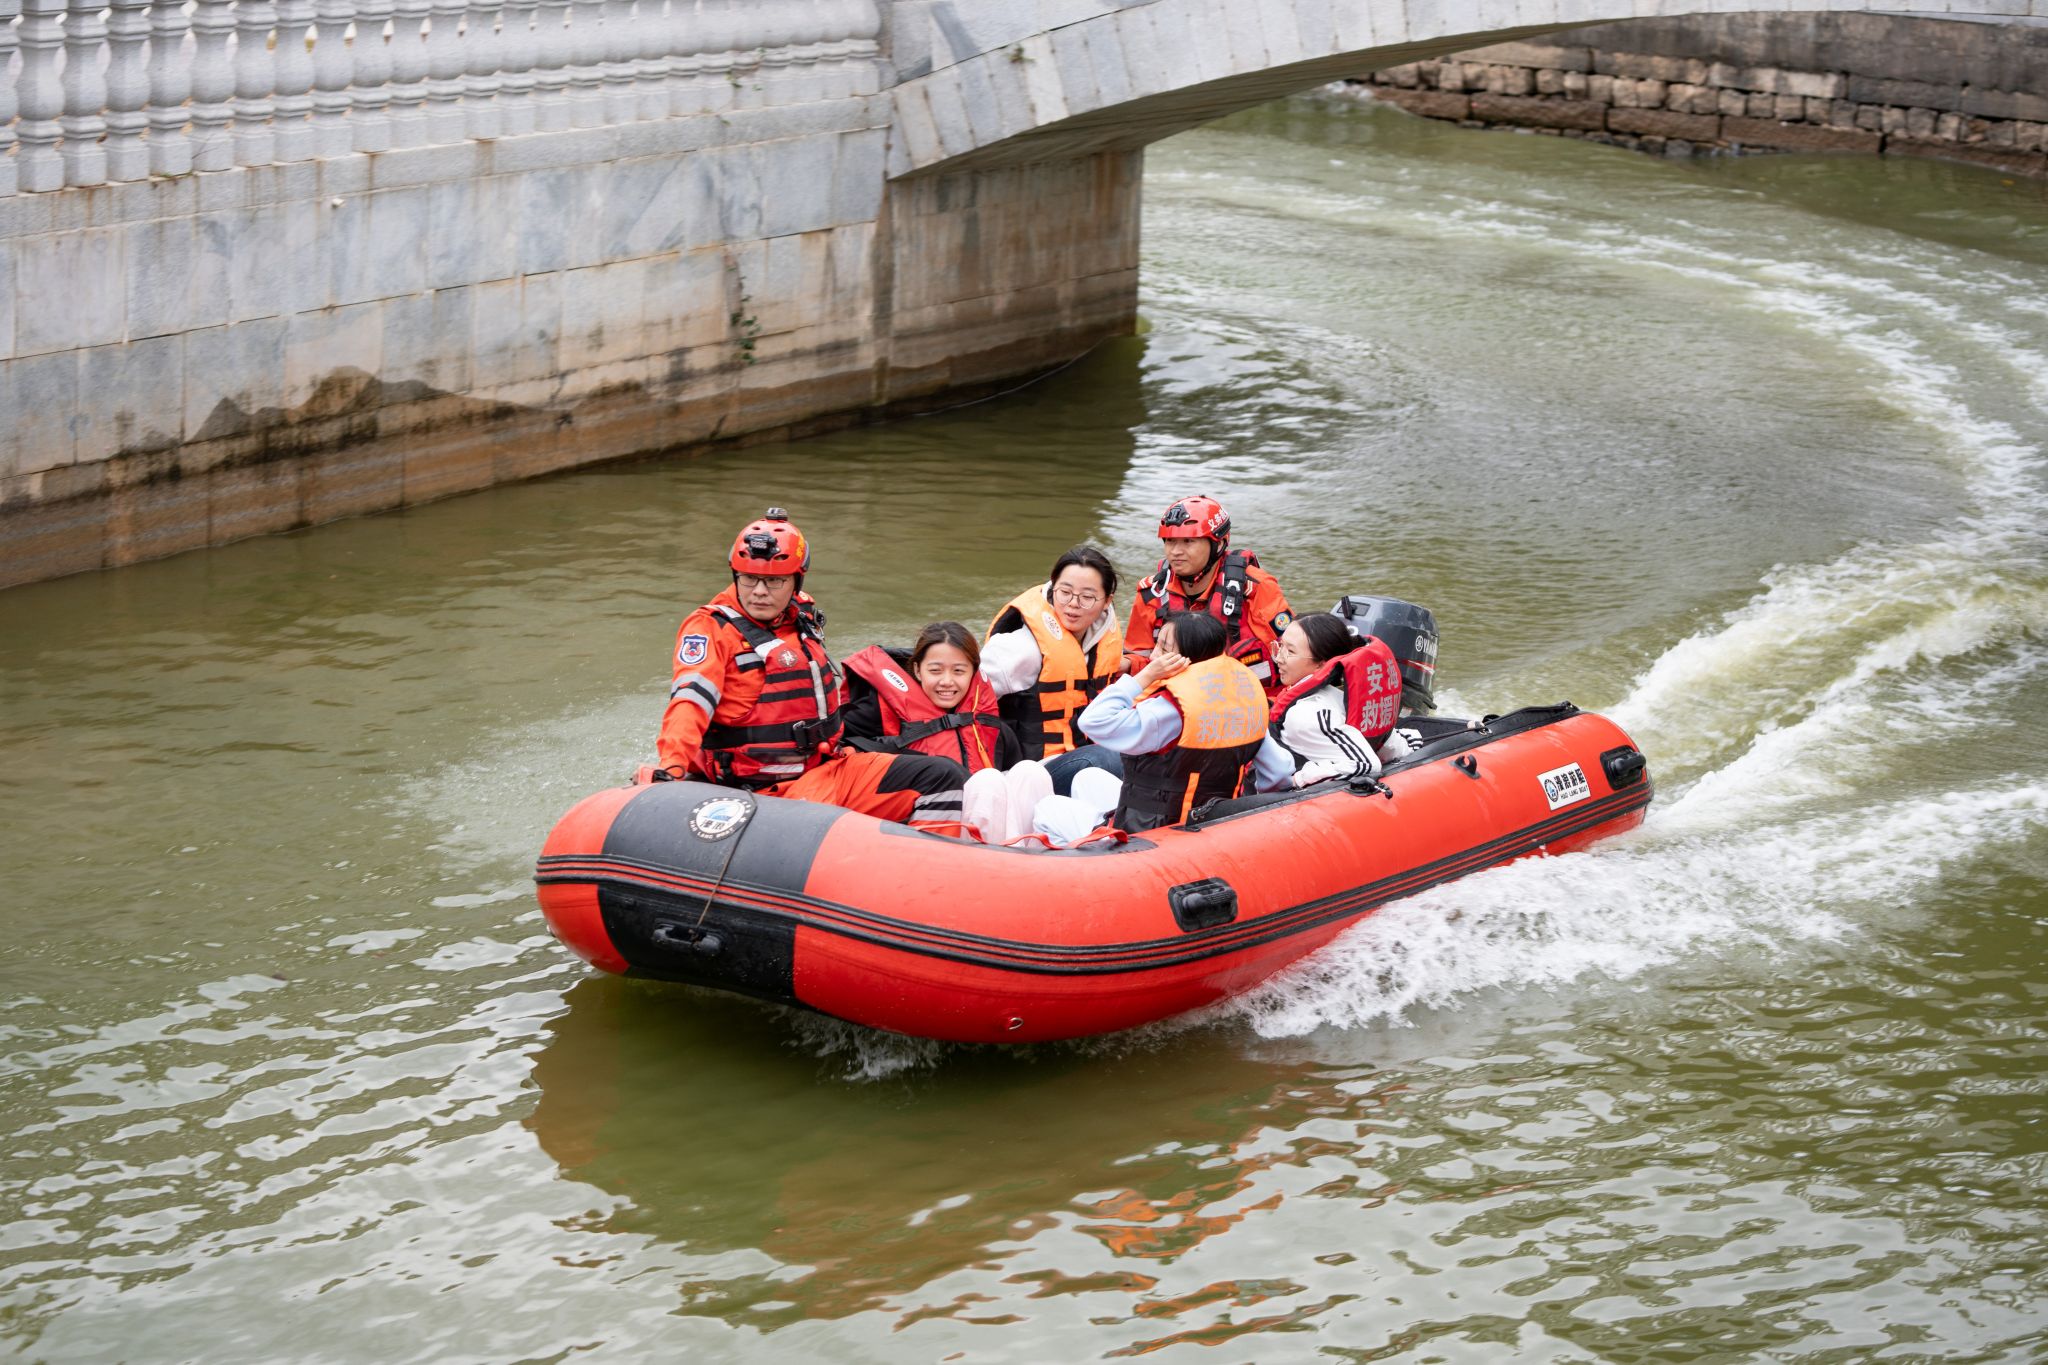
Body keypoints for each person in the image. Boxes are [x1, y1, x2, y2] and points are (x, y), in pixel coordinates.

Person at [655, 508, 968, 831]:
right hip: (764, 791)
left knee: (944, 776)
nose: (759, 591)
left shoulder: (801, 614)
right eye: (749, 579)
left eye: (774, 581)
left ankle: (925, 860)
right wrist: (672, 769)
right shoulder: (710, 629)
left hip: (825, 768)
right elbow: (690, 702)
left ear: (796, 581)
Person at [1077, 612, 1296, 833]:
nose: (1154, 655)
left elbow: (1092, 721)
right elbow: (1278, 772)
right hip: (1219, 825)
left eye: (1164, 649)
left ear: (1188, 658)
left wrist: (1145, 676)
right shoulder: (1246, 705)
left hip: (1151, 833)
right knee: (1087, 778)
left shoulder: (1166, 710)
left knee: (1058, 807)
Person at [982, 545, 1126, 795]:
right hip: (1027, 772)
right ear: (1052, 589)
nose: (1073, 604)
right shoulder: (1022, 648)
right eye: (1065, 592)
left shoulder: (1103, 642)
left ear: (1107, 601)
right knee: (1107, 760)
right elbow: (967, 695)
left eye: (1087, 597)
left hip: (1073, 755)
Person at [1123, 495, 1295, 692]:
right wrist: (1125, 664)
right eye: (1170, 541)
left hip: (1249, 699)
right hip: (1175, 698)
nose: (1175, 551)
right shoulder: (1152, 593)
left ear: (1218, 544)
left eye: (1188, 541)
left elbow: (1293, 654)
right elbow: (1140, 656)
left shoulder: (1256, 589)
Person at [841, 622, 1021, 775]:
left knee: (1027, 770)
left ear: (973, 673)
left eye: (958, 671)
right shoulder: (875, 712)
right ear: (918, 670)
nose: (947, 682)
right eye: (935, 670)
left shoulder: (994, 728)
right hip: (918, 803)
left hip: (983, 799)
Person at [1268, 611, 1407, 787]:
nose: (1279, 658)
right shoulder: (1341, 695)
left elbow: (1365, 764)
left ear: (1321, 664)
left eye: (1290, 651)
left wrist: (1297, 779)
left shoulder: (1304, 715)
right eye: (1280, 646)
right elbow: (1396, 747)